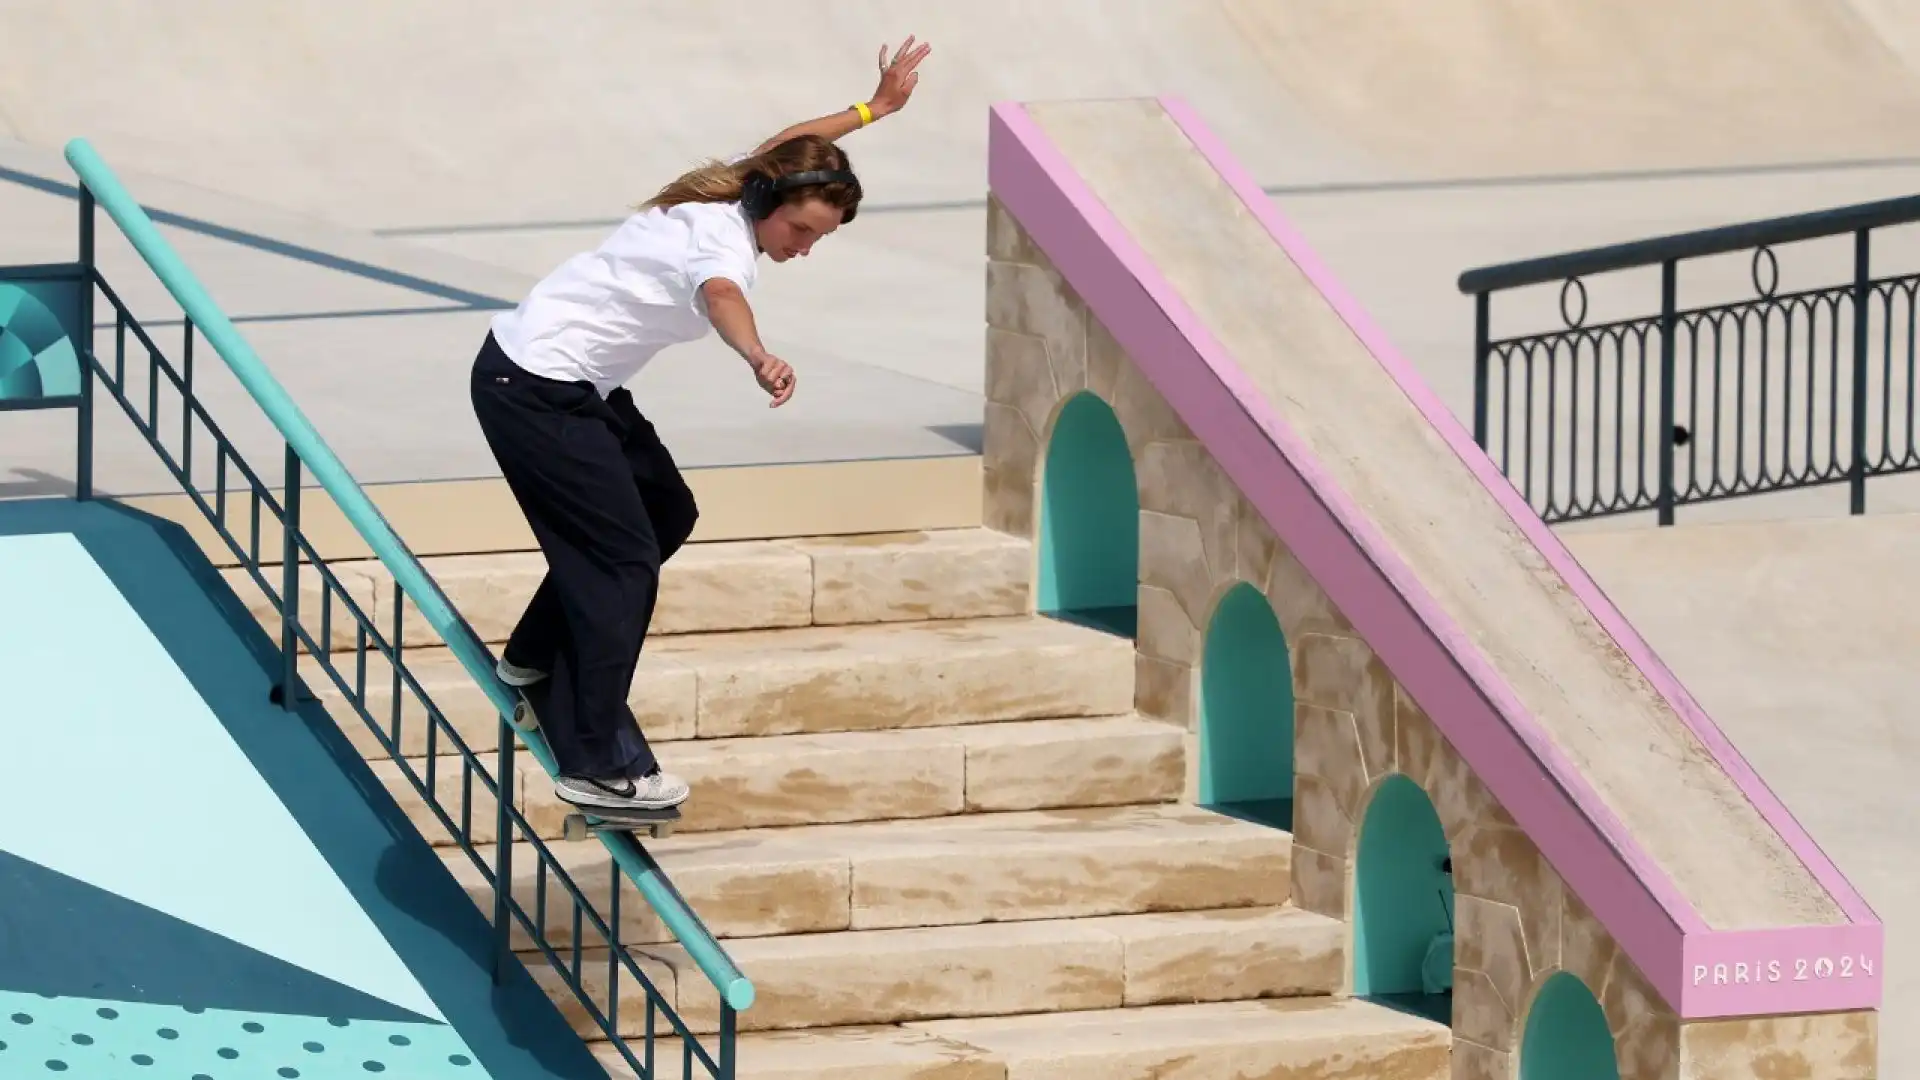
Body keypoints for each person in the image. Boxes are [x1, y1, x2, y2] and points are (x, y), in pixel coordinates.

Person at [468, 37, 932, 814]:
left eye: (817, 237)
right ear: (768, 211)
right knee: (621, 565)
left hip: (576, 383)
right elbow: (723, 296)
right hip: (534, 390)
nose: (805, 249)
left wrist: (872, 110)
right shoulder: (723, 242)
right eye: (802, 234)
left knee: (667, 513)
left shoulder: (743, 185)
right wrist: (757, 355)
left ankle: (530, 656)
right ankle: (592, 763)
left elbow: (790, 143)